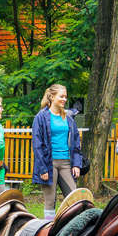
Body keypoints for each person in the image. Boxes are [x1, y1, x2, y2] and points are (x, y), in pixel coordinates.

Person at [32, 84, 83, 220]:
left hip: (66, 162)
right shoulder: (41, 117)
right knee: (50, 200)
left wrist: (76, 164)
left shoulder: (68, 117)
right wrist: (42, 169)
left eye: (65, 97)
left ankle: (71, 227)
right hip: (49, 164)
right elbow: (37, 145)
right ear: (52, 97)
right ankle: (49, 230)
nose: (64, 99)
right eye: (61, 96)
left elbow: (76, 141)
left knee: (75, 197)